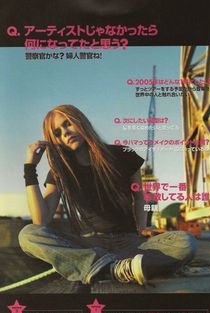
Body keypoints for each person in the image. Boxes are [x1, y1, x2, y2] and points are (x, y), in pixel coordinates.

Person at [19, 104, 197, 287]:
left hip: (129, 241)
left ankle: (103, 267)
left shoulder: (122, 154)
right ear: (54, 141)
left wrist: (142, 228)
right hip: (89, 246)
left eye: (68, 123)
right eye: (57, 133)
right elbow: (41, 221)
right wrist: (30, 168)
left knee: (186, 242)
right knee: (27, 235)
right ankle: (113, 268)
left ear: (81, 121)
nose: (65, 132)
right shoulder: (60, 172)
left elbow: (140, 196)